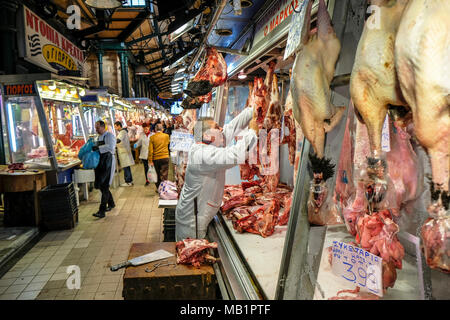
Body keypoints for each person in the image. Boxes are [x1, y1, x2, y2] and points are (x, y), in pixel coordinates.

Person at [175, 105, 259, 241]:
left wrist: (254, 109)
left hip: (202, 213)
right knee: (193, 255)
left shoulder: (211, 142)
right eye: (217, 127)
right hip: (192, 221)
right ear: (207, 135)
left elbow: (231, 127)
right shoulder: (201, 154)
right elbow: (235, 155)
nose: (222, 129)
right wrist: (252, 132)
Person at [92, 120, 116, 218]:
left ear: (103, 127)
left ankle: (102, 210)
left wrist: (98, 148)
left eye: (97, 127)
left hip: (108, 162)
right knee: (102, 185)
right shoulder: (98, 137)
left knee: (105, 185)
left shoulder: (109, 136)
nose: (96, 129)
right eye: (95, 127)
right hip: (101, 163)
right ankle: (111, 203)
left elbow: (111, 147)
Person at [148, 123, 170, 190]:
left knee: (157, 174)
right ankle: (164, 189)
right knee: (164, 174)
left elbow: (150, 150)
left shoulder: (152, 137)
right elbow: (168, 144)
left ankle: (158, 189)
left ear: (155, 129)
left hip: (156, 158)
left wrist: (150, 160)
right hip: (165, 157)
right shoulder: (166, 136)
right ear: (162, 129)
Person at [114, 121, 135, 186]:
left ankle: (128, 181)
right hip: (124, 152)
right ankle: (129, 181)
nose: (115, 128)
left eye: (115, 126)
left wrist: (112, 141)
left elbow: (118, 140)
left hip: (124, 152)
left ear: (119, 126)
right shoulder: (122, 132)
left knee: (126, 167)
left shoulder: (122, 132)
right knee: (126, 167)